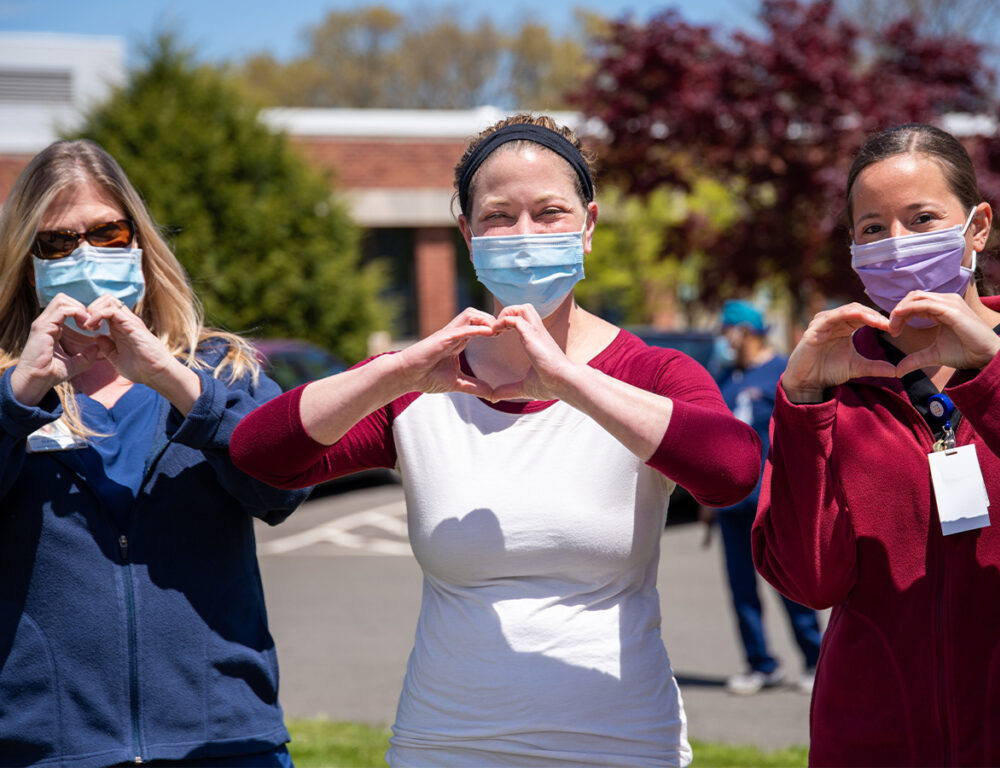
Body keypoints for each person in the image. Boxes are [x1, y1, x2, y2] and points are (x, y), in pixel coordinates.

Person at [231, 114, 762, 767]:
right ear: (467, 234)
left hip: (621, 743)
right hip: (444, 743)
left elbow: (732, 470)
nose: (525, 235)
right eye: (499, 217)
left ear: (589, 227)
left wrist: (570, 381)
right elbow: (261, 456)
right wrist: (394, 371)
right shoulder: (422, 385)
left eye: (549, 212)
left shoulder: (651, 374)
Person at [0, 139, 309, 766]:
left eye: (108, 233)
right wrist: (19, 394)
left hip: (224, 743)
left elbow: (282, 490)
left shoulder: (221, 370)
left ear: (140, 243)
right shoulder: (8, 388)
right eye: (58, 242)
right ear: (26, 262)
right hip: (47, 750)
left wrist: (172, 379)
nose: (85, 254)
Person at [752, 123, 1000, 766]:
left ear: (976, 227)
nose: (897, 246)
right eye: (872, 229)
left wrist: (995, 371)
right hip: (869, 742)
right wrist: (805, 405)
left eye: (922, 218)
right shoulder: (835, 376)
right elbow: (809, 580)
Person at [707, 300, 820, 696]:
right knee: (741, 589)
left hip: (773, 503)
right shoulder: (725, 376)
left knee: (790, 585)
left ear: (745, 331)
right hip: (731, 504)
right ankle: (760, 664)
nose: (723, 339)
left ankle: (814, 660)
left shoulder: (782, 372)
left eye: (727, 330)